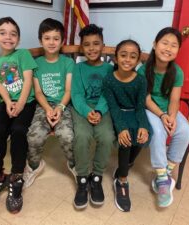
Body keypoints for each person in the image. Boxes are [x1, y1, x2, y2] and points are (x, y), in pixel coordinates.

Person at [0, 17, 37, 214]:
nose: (8, 37)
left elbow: (27, 80)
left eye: (13, 34)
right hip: (7, 103)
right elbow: (1, 86)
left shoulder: (23, 55)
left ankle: (17, 176)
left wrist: (20, 103)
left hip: (26, 102)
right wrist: (9, 103)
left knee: (18, 130)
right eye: (3, 32)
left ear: (18, 39)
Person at [137, 27, 189, 208]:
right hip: (150, 108)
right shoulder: (144, 70)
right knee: (158, 132)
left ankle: (166, 173)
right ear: (155, 44)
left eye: (174, 45)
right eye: (164, 43)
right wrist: (161, 115)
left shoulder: (177, 72)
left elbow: (174, 99)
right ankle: (161, 178)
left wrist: (172, 116)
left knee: (184, 131)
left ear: (178, 50)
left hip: (168, 110)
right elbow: (144, 99)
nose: (168, 48)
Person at [24, 18, 75, 188]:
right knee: (34, 136)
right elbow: (38, 92)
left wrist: (59, 108)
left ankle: (74, 165)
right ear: (41, 40)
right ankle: (34, 166)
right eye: (47, 38)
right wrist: (47, 109)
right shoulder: (36, 64)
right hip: (43, 105)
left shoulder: (68, 63)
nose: (51, 42)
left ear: (62, 41)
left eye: (56, 38)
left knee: (67, 135)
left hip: (64, 105)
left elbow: (68, 91)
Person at [103, 39, 152, 212]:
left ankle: (128, 163)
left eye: (133, 56)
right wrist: (122, 128)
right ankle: (121, 180)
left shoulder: (140, 80)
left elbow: (140, 107)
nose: (127, 60)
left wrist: (144, 126)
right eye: (123, 55)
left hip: (135, 112)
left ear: (138, 60)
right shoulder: (109, 80)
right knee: (126, 138)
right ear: (115, 58)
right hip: (117, 114)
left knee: (144, 135)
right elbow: (113, 107)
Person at [71, 24, 116, 209]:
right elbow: (76, 94)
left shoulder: (109, 69)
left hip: (103, 109)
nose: (92, 48)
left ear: (103, 46)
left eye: (96, 44)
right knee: (81, 136)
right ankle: (82, 178)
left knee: (107, 137)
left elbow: (108, 94)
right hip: (82, 108)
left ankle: (96, 177)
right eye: (87, 44)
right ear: (82, 47)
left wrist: (98, 111)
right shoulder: (78, 68)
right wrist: (86, 111)